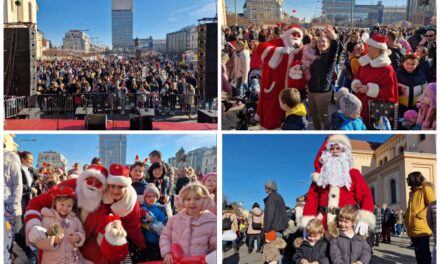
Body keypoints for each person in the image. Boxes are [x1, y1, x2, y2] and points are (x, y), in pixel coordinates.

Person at [25, 164, 145, 264]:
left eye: (98, 183)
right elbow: (37, 202)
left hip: (84, 247)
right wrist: (34, 225)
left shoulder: (105, 202)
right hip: (56, 246)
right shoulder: (69, 186)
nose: (92, 185)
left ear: (103, 187)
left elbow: (129, 220)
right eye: (89, 180)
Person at [301, 135, 375, 234]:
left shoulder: (353, 174)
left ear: (345, 151)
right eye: (331, 148)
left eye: (338, 148)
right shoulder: (320, 176)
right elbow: (312, 198)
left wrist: (365, 218)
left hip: (345, 223)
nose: (335, 151)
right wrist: (308, 222)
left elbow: (365, 195)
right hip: (322, 225)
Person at [255, 25, 304, 129]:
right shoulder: (278, 42)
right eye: (293, 34)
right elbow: (261, 48)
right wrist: (280, 50)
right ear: (287, 34)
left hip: (290, 88)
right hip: (274, 86)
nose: (295, 36)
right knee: (272, 114)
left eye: (298, 35)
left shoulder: (299, 47)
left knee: (288, 115)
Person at [160, 183, 216, 263]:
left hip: (199, 261)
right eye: (188, 199)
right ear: (182, 201)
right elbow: (165, 236)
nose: (192, 202)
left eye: (197, 199)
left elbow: (215, 245)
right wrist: (167, 252)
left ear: (205, 200)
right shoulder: (175, 219)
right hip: (176, 260)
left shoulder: (211, 222)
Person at [351, 34, 398, 128]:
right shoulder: (364, 63)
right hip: (361, 105)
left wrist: (369, 89)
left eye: (369, 47)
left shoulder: (387, 69)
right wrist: (356, 84)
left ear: (377, 49)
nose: (366, 49)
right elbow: (357, 76)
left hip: (376, 110)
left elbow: (389, 92)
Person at [33, 186, 85, 263]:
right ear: (55, 203)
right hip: (53, 261)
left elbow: (82, 232)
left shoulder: (74, 220)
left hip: (72, 260)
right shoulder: (48, 220)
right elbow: (40, 240)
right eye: (62, 204)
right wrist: (54, 241)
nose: (65, 208)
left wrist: (77, 237)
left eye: (69, 206)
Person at [307, 25, 339, 130]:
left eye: (323, 41)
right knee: (314, 115)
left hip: (323, 92)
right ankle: (316, 131)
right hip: (311, 91)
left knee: (323, 117)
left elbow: (335, 48)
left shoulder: (329, 56)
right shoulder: (314, 55)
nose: (321, 43)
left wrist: (334, 38)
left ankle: (326, 134)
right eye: (319, 41)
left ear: (328, 44)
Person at [405, 171, 436, 264]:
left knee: (424, 255)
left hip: (422, 229)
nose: (407, 180)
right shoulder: (412, 193)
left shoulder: (425, 189)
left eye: (409, 178)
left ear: (415, 179)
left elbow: (434, 205)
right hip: (412, 230)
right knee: (418, 255)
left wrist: (421, 215)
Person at [4, 150, 23, 263]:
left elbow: (18, 185)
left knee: (8, 234)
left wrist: (14, 206)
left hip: (7, 207)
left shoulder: (11, 161)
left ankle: (9, 258)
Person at [139, 183, 168, 261]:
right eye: (148, 196)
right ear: (145, 198)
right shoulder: (142, 209)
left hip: (157, 241)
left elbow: (164, 223)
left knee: (156, 259)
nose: (151, 198)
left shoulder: (160, 209)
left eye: (153, 196)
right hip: (144, 241)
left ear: (157, 197)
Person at [396, 53, 427, 117]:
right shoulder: (396, 74)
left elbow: (426, 90)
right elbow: (390, 88)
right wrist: (399, 89)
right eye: (407, 64)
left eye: (413, 64)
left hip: (416, 107)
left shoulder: (421, 74)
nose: (410, 66)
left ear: (417, 64)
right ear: (403, 63)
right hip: (400, 107)